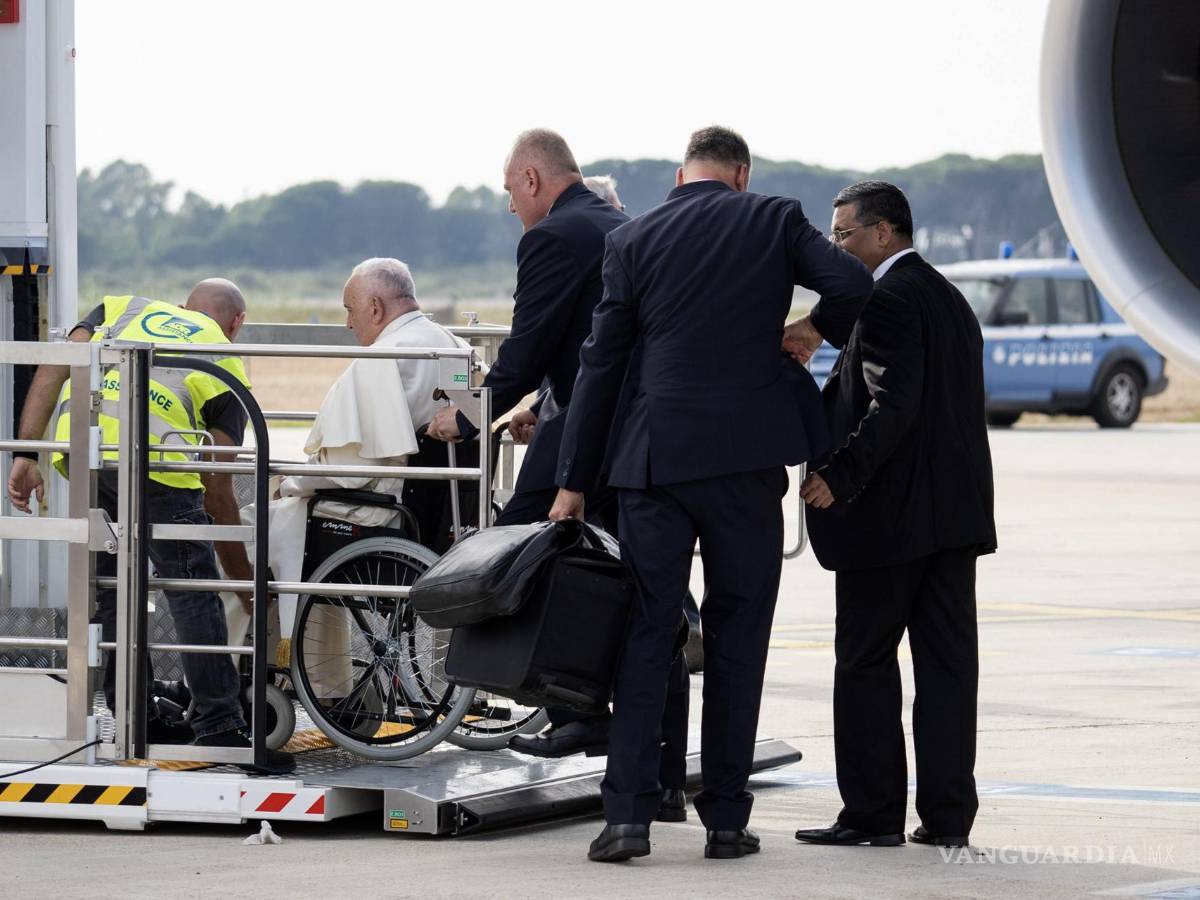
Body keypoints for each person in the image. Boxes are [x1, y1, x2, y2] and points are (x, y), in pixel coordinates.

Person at [549, 126, 873, 862]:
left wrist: (573, 481)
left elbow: (600, 365)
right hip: (745, 460)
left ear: (680, 174)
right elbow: (853, 282)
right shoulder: (772, 216)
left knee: (646, 633)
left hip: (653, 462)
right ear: (741, 172)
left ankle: (627, 817)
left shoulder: (633, 239)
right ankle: (726, 819)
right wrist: (814, 327)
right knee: (738, 637)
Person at [6, 279, 295, 774]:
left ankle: (134, 717)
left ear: (184, 306)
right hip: (158, 467)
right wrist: (244, 582)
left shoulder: (123, 307)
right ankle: (220, 726)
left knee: (114, 588)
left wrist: (27, 452)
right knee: (191, 588)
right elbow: (218, 487)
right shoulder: (223, 358)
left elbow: (56, 365)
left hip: (87, 461)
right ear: (237, 323)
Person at [790, 182, 997, 849]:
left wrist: (839, 476)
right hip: (952, 521)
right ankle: (946, 818)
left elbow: (894, 405)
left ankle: (872, 813)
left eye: (843, 235)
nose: (835, 248)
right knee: (946, 670)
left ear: (885, 234)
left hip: (891, 521)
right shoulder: (949, 299)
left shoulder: (887, 299)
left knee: (864, 662)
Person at [425, 129, 631, 760]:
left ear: (533, 180)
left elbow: (527, 344)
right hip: (633, 424)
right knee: (613, 564)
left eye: (510, 190)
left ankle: (571, 703)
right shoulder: (620, 223)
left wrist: (462, 417)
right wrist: (538, 405)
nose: (509, 206)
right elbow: (587, 337)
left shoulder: (551, 237)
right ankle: (596, 708)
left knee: (522, 543)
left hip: (591, 426)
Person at [226, 258, 469, 662]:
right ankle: (324, 684)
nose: (347, 323)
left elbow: (346, 472)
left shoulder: (379, 362)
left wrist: (294, 482)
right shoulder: (454, 346)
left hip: (373, 514)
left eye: (349, 310)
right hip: (434, 515)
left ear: (375, 307)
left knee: (240, 538)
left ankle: (219, 673)